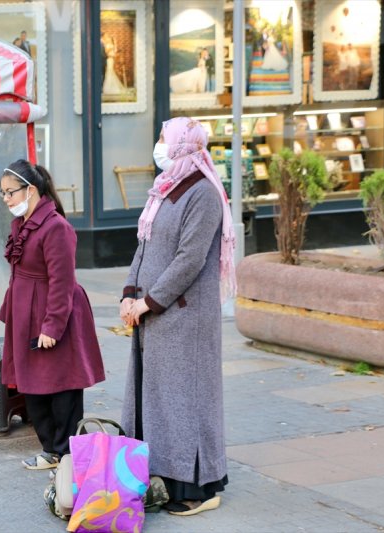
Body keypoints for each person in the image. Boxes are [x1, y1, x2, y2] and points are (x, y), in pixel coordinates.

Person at [119, 117, 236, 516]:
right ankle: (166, 477)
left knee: (186, 401)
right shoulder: (165, 190)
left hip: (185, 319)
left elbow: (190, 259)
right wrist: (129, 294)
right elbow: (144, 245)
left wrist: (149, 301)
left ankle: (199, 489)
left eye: (162, 139)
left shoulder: (202, 193)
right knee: (160, 401)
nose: (157, 145)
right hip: (155, 315)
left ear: (182, 145)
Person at [0, 160, 105, 469]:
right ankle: (51, 450)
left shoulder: (57, 227)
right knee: (31, 381)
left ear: (30, 190)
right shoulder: (21, 223)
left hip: (53, 311)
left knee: (61, 383)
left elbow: (62, 282)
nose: (6, 199)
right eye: (3, 193)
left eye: (10, 193)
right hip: (26, 312)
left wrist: (52, 326)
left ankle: (65, 452)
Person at [101, 32, 127, 96]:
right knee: (109, 72)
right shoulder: (107, 44)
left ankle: (109, 88)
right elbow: (108, 52)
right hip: (109, 59)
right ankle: (107, 87)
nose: (108, 39)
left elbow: (110, 53)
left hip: (110, 59)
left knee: (109, 72)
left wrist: (108, 52)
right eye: (107, 38)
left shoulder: (109, 45)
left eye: (109, 38)